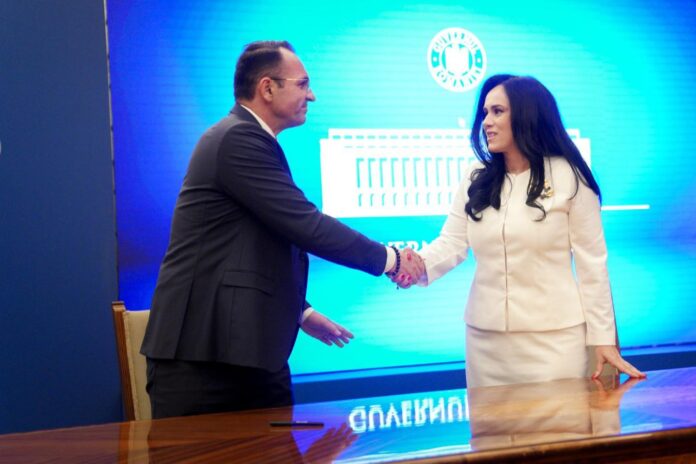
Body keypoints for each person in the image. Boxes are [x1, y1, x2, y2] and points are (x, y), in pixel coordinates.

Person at [140, 40, 422, 418]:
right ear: (268, 88)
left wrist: (300, 312)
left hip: (243, 352)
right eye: (303, 84)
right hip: (206, 360)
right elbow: (305, 224)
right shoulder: (238, 138)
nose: (312, 95)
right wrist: (391, 259)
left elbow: (252, 245)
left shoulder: (248, 139)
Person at [391, 74, 645, 387]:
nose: (487, 122)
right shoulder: (476, 177)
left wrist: (603, 339)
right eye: (485, 113)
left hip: (555, 341)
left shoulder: (570, 176)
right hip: (485, 343)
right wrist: (413, 266)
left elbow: (592, 264)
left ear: (527, 115)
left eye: (498, 111)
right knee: (489, 422)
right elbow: (452, 242)